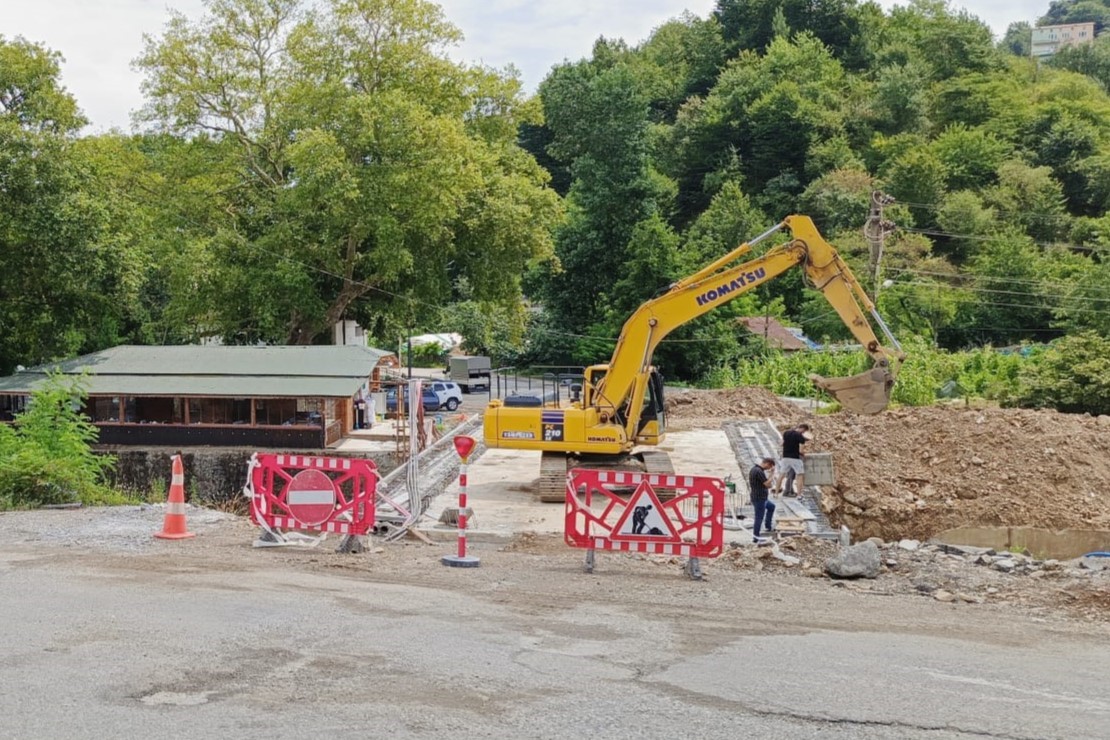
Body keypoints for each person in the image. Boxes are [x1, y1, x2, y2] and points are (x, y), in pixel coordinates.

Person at [775, 423, 812, 497]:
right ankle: (799, 495)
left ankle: (776, 493)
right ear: (803, 429)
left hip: (785, 457)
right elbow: (801, 446)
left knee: (781, 475)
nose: (803, 432)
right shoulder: (799, 435)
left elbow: (782, 443)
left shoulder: (786, 433)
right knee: (800, 475)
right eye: (804, 431)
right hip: (795, 458)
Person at [747, 457, 777, 544]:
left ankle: (768, 526)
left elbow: (766, 483)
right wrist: (772, 475)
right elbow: (767, 484)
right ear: (767, 463)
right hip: (759, 498)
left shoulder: (756, 470)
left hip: (762, 497)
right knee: (759, 517)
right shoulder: (758, 471)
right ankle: (756, 537)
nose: (768, 469)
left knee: (771, 507)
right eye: (769, 467)